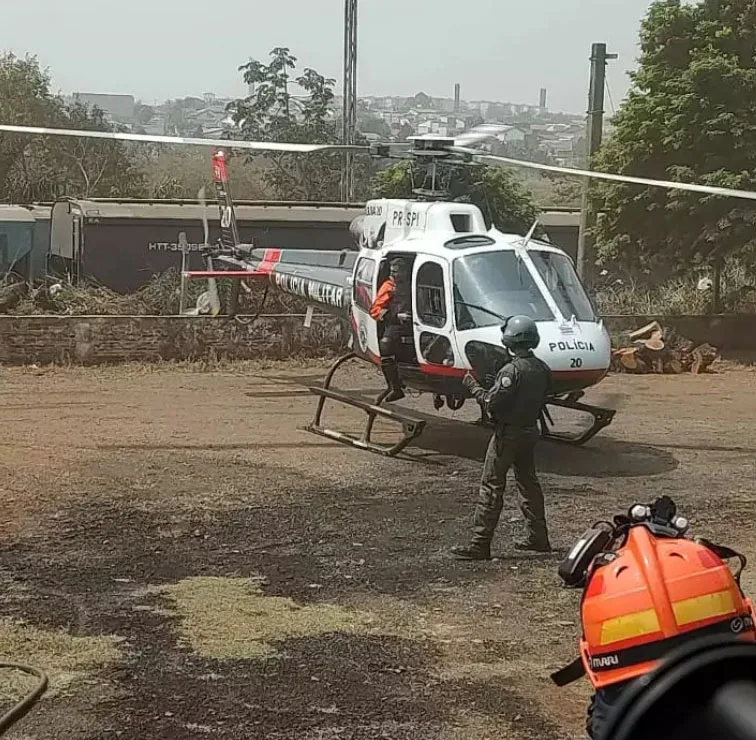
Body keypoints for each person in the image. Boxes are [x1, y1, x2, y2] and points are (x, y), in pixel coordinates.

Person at [452, 315, 553, 560]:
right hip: (530, 431)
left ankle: (480, 543)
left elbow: (490, 403)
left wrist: (472, 385)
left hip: (508, 434)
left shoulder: (511, 371)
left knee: (491, 485)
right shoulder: (542, 368)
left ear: (510, 339)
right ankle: (538, 537)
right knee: (528, 483)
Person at [369, 256, 412, 403]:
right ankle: (394, 387)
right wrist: (395, 315)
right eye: (394, 272)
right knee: (385, 346)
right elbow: (375, 310)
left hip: (415, 323)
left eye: (399, 272)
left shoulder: (413, 285)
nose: (396, 275)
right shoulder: (389, 286)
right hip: (396, 324)